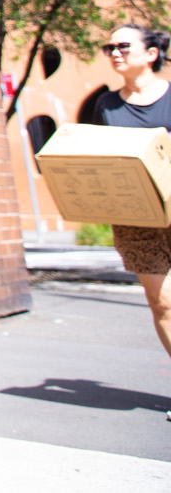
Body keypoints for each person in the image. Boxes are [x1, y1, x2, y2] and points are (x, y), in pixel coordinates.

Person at [87, 23, 171, 375]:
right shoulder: (106, 106)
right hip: (137, 218)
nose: (115, 53)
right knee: (162, 303)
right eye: (109, 48)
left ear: (151, 54)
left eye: (123, 46)